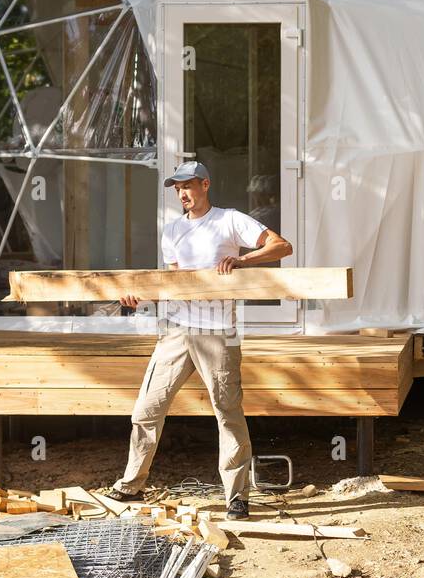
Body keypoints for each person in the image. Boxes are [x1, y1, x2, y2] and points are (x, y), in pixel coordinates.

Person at [109, 161, 293, 520]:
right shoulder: (173, 230)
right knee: (147, 410)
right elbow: (174, 285)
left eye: (188, 186)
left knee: (227, 413)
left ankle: (237, 498)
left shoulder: (230, 220)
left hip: (217, 333)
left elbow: (281, 246)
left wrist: (243, 260)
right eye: (177, 189)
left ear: (205, 184)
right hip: (176, 331)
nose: (182, 194)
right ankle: (132, 484)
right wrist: (140, 297)